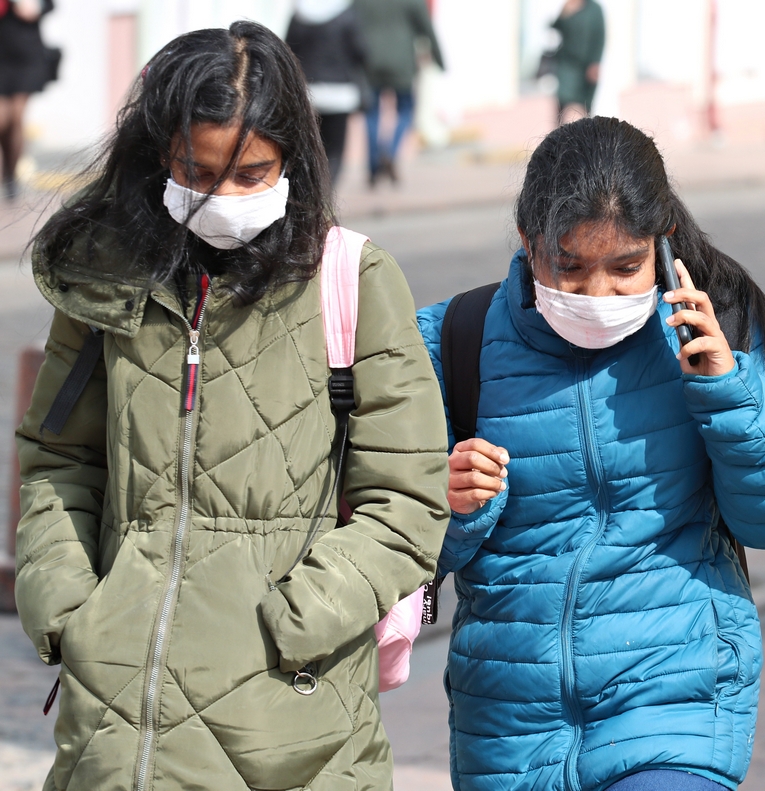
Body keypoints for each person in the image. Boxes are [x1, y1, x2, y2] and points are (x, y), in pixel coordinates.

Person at [15, 21, 449, 791]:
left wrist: (298, 619)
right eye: (199, 170)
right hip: (117, 732)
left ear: (292, 161)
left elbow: (408, 498)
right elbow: (60, 456)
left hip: (295, 731)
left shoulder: (350, 278)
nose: (224, 197)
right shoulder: (105, 279)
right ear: (160, 157)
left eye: (253, 172)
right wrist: (69, 607)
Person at [417, 116, 765, 790]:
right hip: (507, 733)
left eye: (625, 266)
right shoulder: (452, 340)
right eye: (570, 266)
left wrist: (725, 391)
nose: (598, 293)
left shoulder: (714, 323)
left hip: (675, 713)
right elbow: (397, 552)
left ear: (661, 244)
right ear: (528, 240)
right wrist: (451, 505)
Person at [353, 0, 443, 186]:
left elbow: (350, 24)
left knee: (372, 114)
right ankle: (391, 153)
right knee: (406, 110)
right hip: (402, 63)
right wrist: (440, 60)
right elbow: (426, 28)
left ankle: (373, 166)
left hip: (370, 61)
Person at [286, 0, 368, 186]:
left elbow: (287, 50)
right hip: (340, 92)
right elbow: (361, 51)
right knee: (335, 150)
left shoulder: (298, 15)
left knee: (309, 147)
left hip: (307, 92)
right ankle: (326, 195)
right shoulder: (346, 14)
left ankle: (310, 193)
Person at [0, 0, 54, 201]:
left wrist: (35, 8)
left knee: (16, 118)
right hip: (2, 57)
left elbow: (49, 6)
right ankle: (6, 170)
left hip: (27, 57)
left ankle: (10, 177)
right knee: (3, 119)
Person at [552, 0, 605, 124]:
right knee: (563, 100)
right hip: (567, 63)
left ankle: (588, 135)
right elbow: (555, 29)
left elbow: (600, 37)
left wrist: (595, 62)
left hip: (586, 65)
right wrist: (564, 14)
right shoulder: (568, 7)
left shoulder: (595, 9)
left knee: (586, 104)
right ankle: (557, 136)